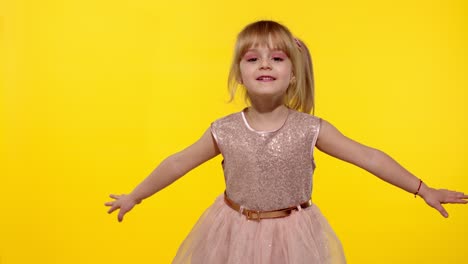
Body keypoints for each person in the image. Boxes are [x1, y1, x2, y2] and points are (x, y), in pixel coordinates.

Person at [105, 20, 467, 263]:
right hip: (233, 230)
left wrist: (423, 188)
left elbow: (368, 157)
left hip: (295, 236)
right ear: (240, 74)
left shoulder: (311, 129)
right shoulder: (224, 130)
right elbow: (177, 162)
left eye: (277, 58)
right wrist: (136, 194)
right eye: (253, 58)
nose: (265, 65)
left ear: (293, 74)